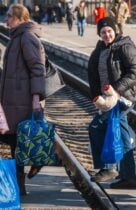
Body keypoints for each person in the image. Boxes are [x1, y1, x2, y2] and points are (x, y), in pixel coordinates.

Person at [87, 17, 136, 189]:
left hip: (122, 98)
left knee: (98, 127)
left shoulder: (125, 46)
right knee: (123, 136)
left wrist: (116, 90)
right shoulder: (99, 50)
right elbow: (93, 76)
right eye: (103, 32)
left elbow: (135, 71)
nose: (106, 34)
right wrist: (97, 97)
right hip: (108, 100)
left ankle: (109, 168)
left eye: (109, 30)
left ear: (116, 30)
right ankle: (129, 177)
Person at [0, 4, 46, 196]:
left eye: (10, 16)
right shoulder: (17, 36)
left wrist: (36, 98)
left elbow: (38, 69)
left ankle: (19, 183)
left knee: (13, 142)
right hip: (13, 99)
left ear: (20, 18)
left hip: (23, 100)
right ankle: (18, 186)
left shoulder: (26, 38)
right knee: (12, 142)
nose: (6, 19)